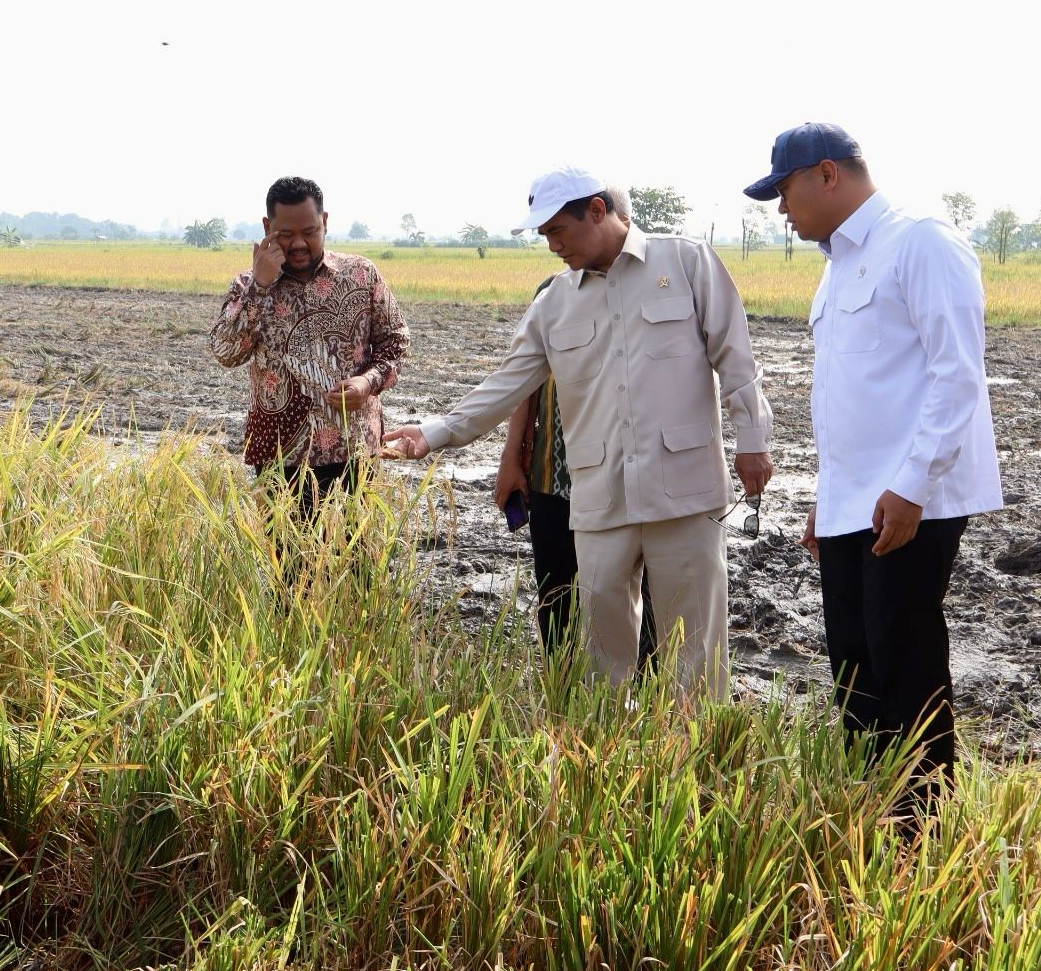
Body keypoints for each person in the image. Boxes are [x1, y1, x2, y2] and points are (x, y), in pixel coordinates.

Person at [385, 167, 773, 695]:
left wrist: (753, 442)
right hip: (600, 499)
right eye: (544, 236)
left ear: (596, 209)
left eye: (556, 231)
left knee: (695, 655)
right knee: (600, 657)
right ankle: (602, 763)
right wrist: (433, 434)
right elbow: (506, 384)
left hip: (683, 493)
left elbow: (736, 359)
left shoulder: (685, 262)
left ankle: (694, 765)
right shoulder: (555, 302)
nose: (552, 246)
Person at [743, 123, 1002, 806]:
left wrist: (911, 487)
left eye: (785, 190)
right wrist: (830, 502)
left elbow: (957, 377)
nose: (781, 210)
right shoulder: (836, 265)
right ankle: (870, 816)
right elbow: (853, 399)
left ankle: (921, 833)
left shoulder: (920, 240)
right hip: (856, 502)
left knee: (904, 663)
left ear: (827, 174)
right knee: (854, 670)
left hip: (914, 501)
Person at [494, 187, 656, 663]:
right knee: (558, 594)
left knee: (635, 599)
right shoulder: (554, 294)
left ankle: (640, 699)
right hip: (555, 473)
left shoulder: (658, 282)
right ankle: (563, 689)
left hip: (631, 479)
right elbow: (523, 379)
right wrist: (512, 456)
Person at [210, 176, 410, 517]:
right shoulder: (247, 286)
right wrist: (260, 287)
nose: (299, 244)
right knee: (290, 568)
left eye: (310, 231)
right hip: (280, 462)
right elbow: (226, 352)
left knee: (359, 567)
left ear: (326, 222)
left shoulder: (361, 275)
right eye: (286, 235)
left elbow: (396, 342)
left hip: (355, 454)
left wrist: (368, 382)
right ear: (267, 227)